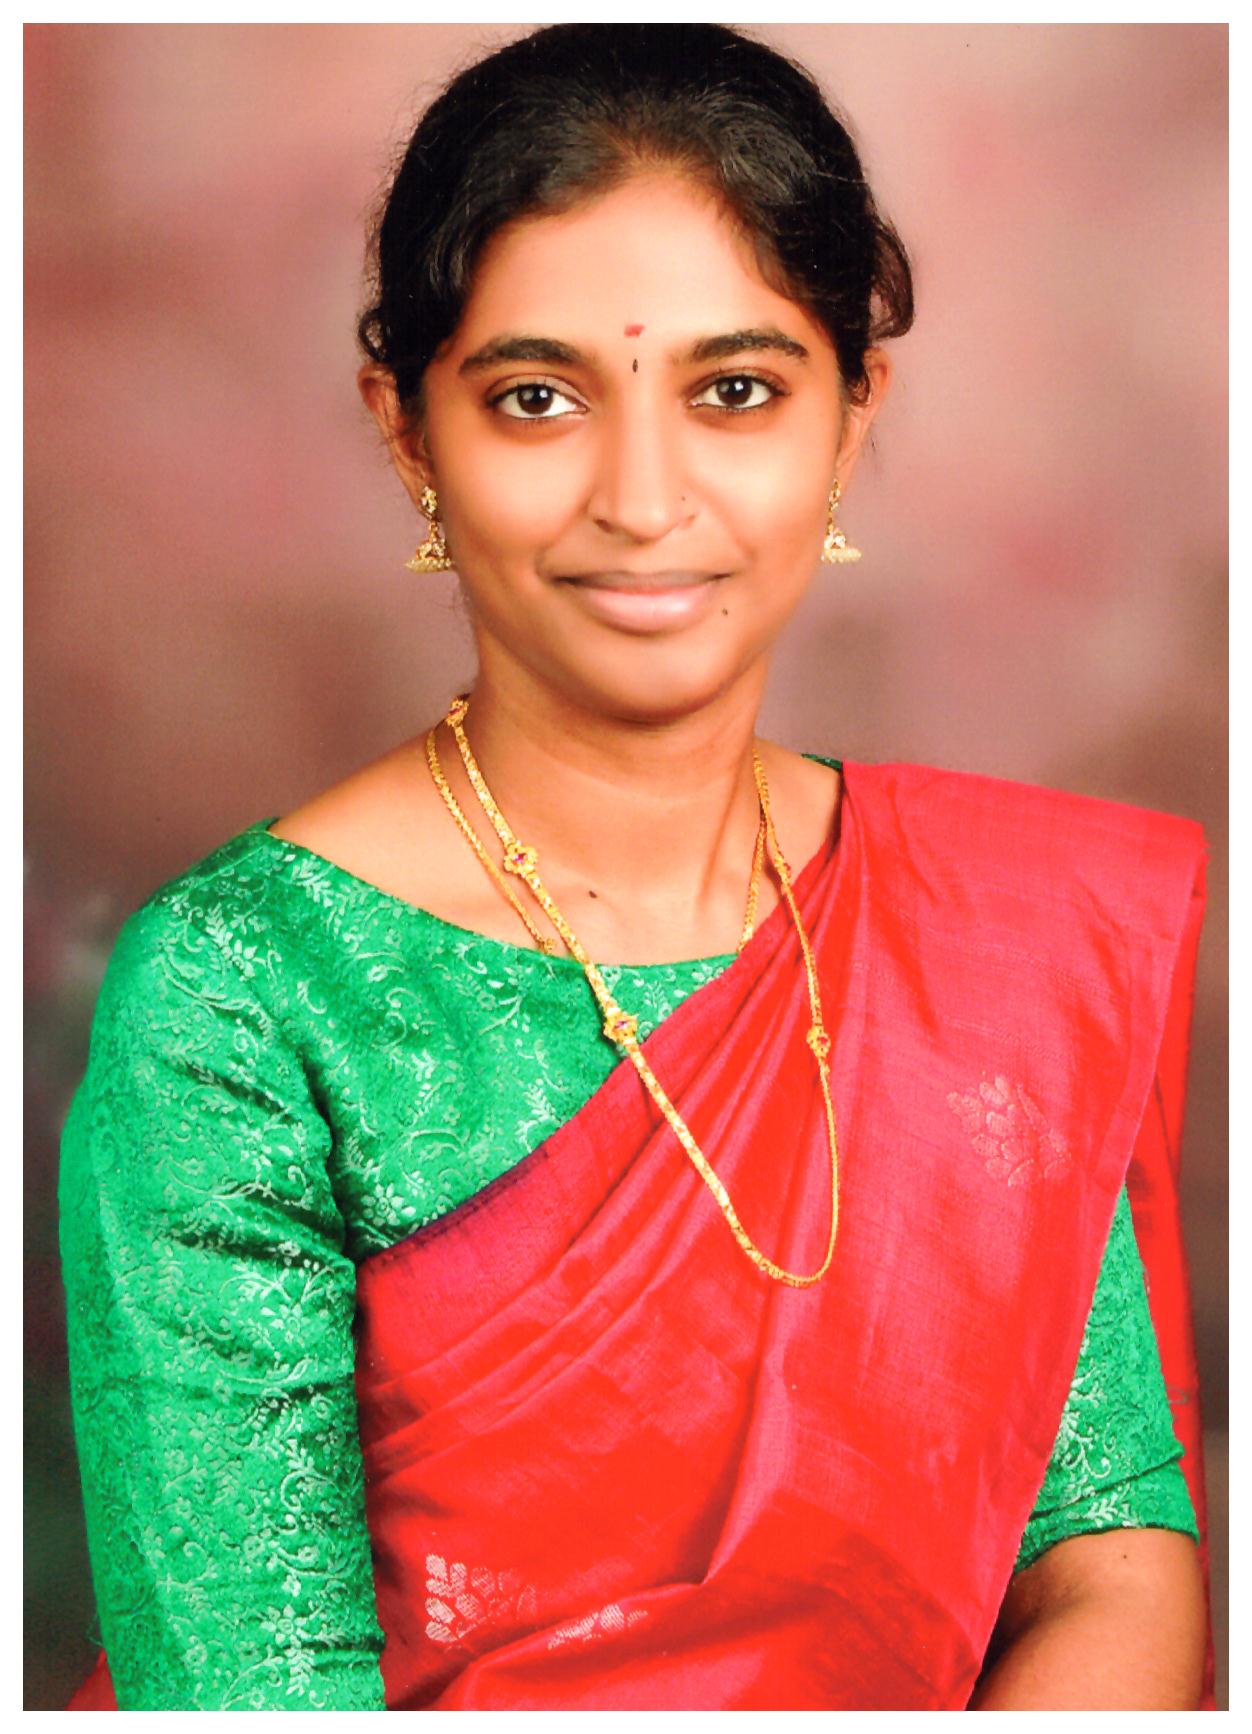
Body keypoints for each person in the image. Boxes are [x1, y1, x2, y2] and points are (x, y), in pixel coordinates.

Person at [58, 22, 1213, 1712]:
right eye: (537, 398)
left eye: (735, 391)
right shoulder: (242, 995)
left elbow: (1108, 1562)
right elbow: (249, 1690)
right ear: (408, 431)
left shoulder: (990, 947)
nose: (645, 497)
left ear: (851, 417)